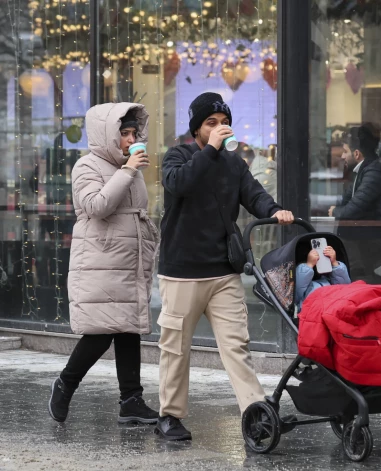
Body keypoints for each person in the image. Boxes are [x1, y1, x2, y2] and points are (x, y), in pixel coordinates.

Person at [155, 92, 294, 441]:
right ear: (197, 129)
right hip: (182, 272)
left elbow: (255, 194)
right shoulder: (179, 156)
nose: (219, 128)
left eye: (223, 122)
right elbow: (179, 183)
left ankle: (255, 414)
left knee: (237, 346)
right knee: (176, 348)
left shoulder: (234, 163)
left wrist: (274, 210)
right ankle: (170, 416)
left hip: (222, 272)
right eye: (210, 123)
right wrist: (211, 150)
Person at [48, 103, 159, 424]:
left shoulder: (130, 168)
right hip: (100, 258)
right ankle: (65, 384)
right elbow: (95, 206)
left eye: (133, 133)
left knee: (129, 328)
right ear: (107, 135)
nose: (130, 139)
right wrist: (126, 172)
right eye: (123, 133)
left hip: (128, 259)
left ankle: (131, 400)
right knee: (101, 330)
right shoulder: (86, 166)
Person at [329, 124, 381, 282]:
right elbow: (346, 199)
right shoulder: (362, 171)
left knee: (368, 279)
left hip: (367, 241)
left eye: (346, 151)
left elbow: (353, 208)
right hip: (363, 240)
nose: (343, 156)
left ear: (357, 153)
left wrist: (335, 211)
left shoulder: (374, 172)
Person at [295, 246, 351, 311]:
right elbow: (297, 288)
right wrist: (309, 265)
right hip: (313, 311)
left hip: (334, 308)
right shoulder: (303, 289)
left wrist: (334, 263)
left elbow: (345, 288)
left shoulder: (329, 280)